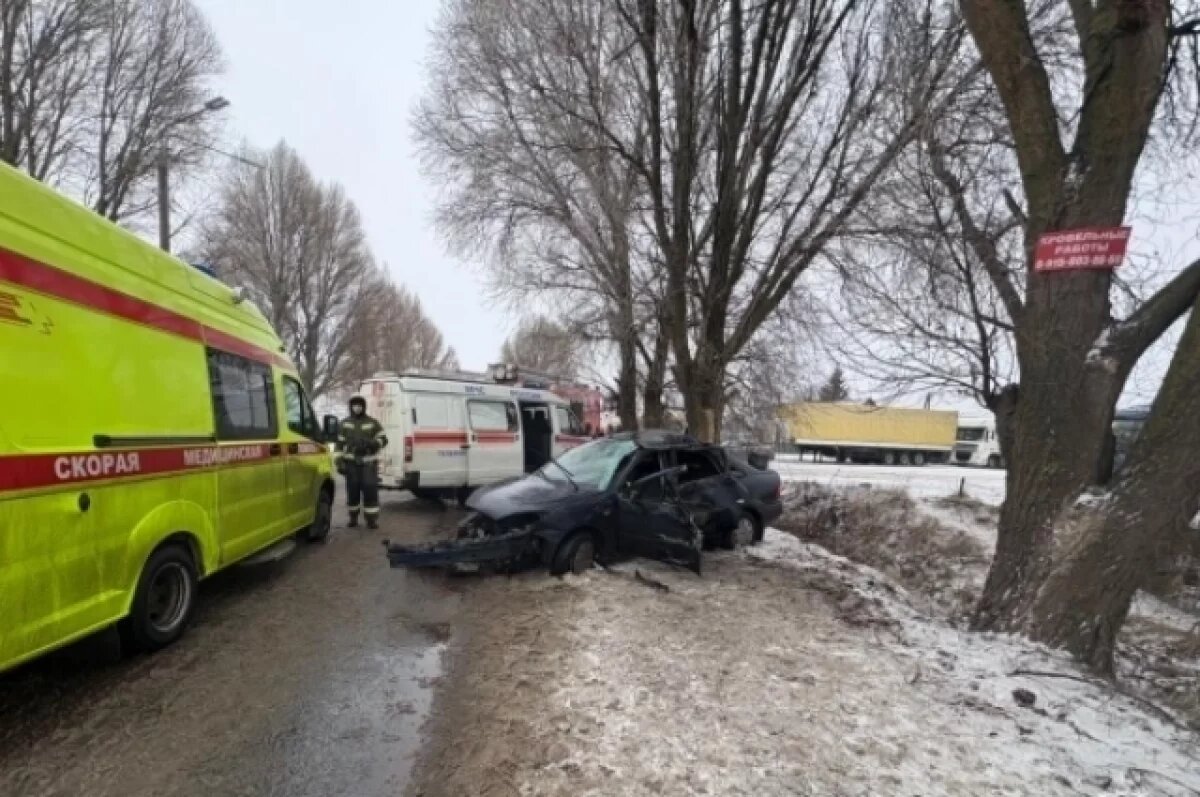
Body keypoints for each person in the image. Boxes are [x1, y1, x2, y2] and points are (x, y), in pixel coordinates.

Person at [336, 395, 388, 529]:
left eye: (359, 405)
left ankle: (371, 520)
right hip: (351, 465)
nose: (357, 407)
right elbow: (339, 445)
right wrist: (339, 462)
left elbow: (383, 439)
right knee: (352, 492)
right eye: (354, 405)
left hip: (368, 465)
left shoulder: (372, 422)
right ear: (351, 406)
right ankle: (353, 518)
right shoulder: (344, 423)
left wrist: (372, 444)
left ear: (364, 407)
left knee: (370, 492)